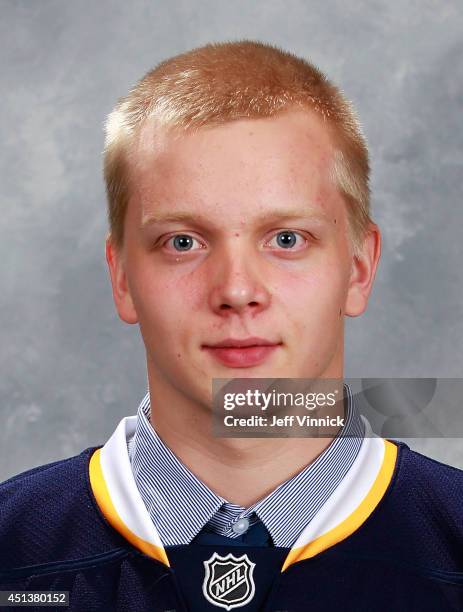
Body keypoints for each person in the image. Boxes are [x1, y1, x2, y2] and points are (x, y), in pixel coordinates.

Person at [0, 40, 461, 612]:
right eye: (183, 242)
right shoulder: (13, 551)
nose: (237, 291)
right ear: (121, 278)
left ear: (359, 269)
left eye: (287, 239)